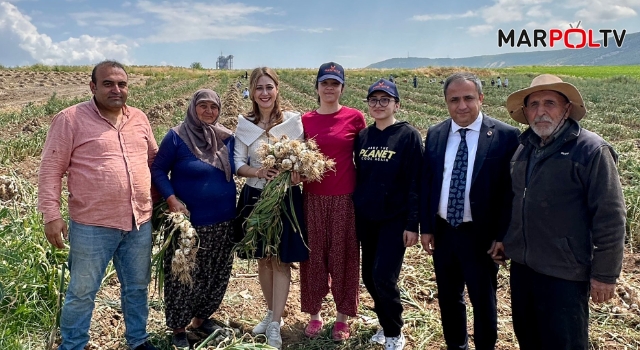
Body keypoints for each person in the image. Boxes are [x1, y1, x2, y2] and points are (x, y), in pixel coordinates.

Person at [38, 60, 158, 350]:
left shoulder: (139, 118)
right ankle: (74, 344)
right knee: (82, 291)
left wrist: (166, 198)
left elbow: (154, 161)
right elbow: (50, 169)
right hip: (92, 225)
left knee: (137, 288)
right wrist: (51, 215)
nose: (116, 89)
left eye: (122, 84)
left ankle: (138, 340)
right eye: (108, 83)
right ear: (93, 87)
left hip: (138, 222)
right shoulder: (70, 119)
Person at [499, 74, 626, 349]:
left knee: (564, 343)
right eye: (533, 104)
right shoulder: (523, 149)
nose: (540, 111)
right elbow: (515, 201)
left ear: (567, 108)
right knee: (528, 338)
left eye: (550, 103)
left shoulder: (591, 151)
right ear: (525, 111)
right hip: (523, 268)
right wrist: (506, 240)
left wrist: (605, 275)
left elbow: (611, 216)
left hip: (565, 273)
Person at [420, 72, 520, 350]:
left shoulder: (505, 136)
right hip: (443, 230)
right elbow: (429, 181)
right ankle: (457, 345)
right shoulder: (437, 133)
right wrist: (426, 226)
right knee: (449, 297)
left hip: (481, 234)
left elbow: (509, 193)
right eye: (454, 100)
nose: (461, 106)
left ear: (481, 98)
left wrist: (502, 235)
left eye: (468, 98)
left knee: (483, 299)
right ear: (446, 102)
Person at [151, 89, 236, 349]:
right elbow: (157, 169)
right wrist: (171, 199)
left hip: (223, 221)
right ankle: (178, 328)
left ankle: (202, 319)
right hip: (188, 224)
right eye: (203, 105)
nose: (209, 111)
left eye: (214, 106)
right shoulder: (177, 137)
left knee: (215, 272)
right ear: (192, 107)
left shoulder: (226, 138)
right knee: (182, 275)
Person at [234, 67, 309, 349]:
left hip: (286, 199)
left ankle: (276, 324)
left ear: (277, 89)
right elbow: (236, 163)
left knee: (280, 260)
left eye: (269, 87)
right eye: (258, 88)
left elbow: (302, 157)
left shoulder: (292, 122)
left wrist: (296, 172)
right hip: (255, 198)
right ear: (252, 92)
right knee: (263, 259)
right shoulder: (244, 123)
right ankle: (270, 313)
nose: (264, 93)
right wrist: (256, 172)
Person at [354, 79, 423, 350]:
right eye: (373, 100)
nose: (379, 105)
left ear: (397, 104)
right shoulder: (363, 136)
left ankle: (394, 332)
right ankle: (385, 324)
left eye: (385, 100)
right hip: (367, 217)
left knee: (384, 276)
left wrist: (412, 223)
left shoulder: (408, 136)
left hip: (395, 219)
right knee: (369, 277)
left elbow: (416, 181)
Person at [300, 62, 366, 341]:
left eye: (335, 83)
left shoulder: (355, 118)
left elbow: (364, 158)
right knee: (313, 258)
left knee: (344, 258)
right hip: (313, 197)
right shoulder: (305, 120)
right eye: (325, 83)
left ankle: (342, 317)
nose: (329, 88)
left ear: (342, 88)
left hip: (344, 199)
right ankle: (314, 314)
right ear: (316, 87)